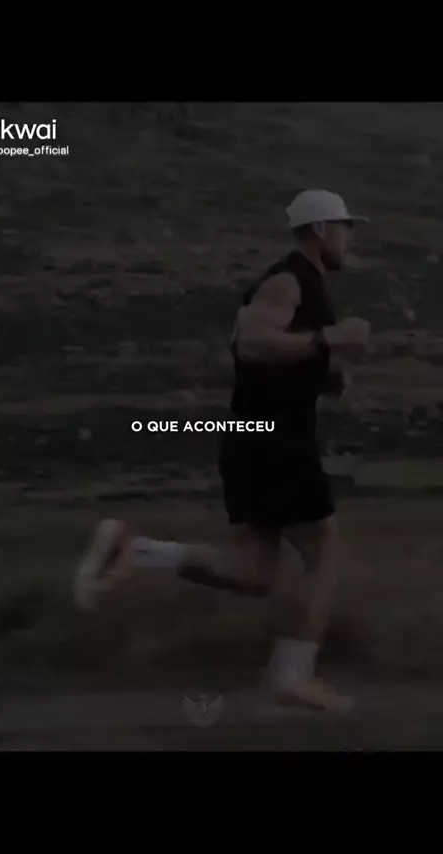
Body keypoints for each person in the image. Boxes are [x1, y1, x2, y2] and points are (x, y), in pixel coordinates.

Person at [73, 189, 371, 712]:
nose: (351, 237)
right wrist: (329, 339)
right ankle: (291, 674)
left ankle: (134, 549)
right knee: (323, 551)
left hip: (259, 438)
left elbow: (273, 358)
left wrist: (329, 376)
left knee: (253, 574)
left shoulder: (304, 286)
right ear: (322, 229)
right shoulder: (289, 280)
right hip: (275, 440)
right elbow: (253, 344)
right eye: (346, 227)